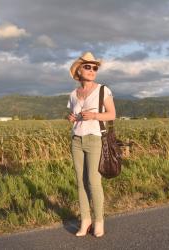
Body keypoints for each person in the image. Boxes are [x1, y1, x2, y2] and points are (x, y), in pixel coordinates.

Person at [67, 52, 116, 237]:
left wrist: (95, 115)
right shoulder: (73, 94)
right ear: (79, 70)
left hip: (95, 139)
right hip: (76, 140)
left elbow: (112, 114)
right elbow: (75, 116)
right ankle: (85, 220)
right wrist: (71, 117)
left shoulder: (103, 90)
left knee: (94, 182)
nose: (92, 70)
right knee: (80, 182)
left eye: (95, 67)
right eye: (88, 66)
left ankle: (99, 222)